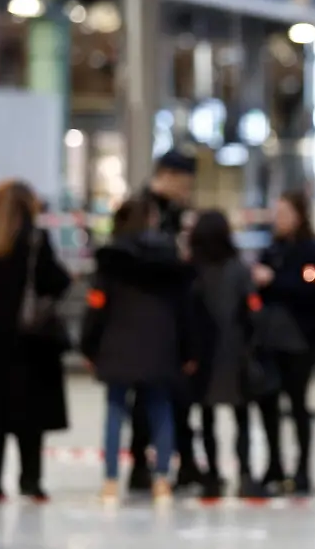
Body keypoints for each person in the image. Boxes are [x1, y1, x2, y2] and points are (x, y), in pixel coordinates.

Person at [81, 196, 195, 503]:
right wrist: (188, 350)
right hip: (160, 343)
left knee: (115, 410)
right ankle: (162, 479)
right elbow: (183, 308)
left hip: (117, 342)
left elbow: (97, 305)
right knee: (160, 409)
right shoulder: (169, 259)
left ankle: (110, 480)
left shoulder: (112, 259)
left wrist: (89, 346)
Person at [0, 180, 72, 502]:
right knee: (31, 414)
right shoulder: (35, 241)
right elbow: (56, 281)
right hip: (31, 341)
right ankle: (31, 480)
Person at [188, 210, 276, 498]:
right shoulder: (238, 269)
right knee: (242, 417)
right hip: (236, 353)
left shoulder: (193, 270)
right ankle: (245, 475)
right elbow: (254, 311)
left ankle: (212, 477)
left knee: (207, 417)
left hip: (203, 354)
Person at [253, 191, 315, 495]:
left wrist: (274, 280)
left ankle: (302, 470)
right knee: (267, 402)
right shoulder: (272, 249)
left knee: (298, 404)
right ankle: (274, 464)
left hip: (299, 341)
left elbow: (312, 288)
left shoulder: (313, 251)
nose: (279, 219)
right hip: (269, 340)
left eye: (284, 213)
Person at [126, 149, 199, 492]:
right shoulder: (141, 210)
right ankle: (140, 462)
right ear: (167, 175)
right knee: (145, 396)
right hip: (146, 316)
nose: (187, 191)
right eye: (184, 183)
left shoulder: (178, 213)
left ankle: (184, 462)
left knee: (179, 394)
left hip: (176, 316)